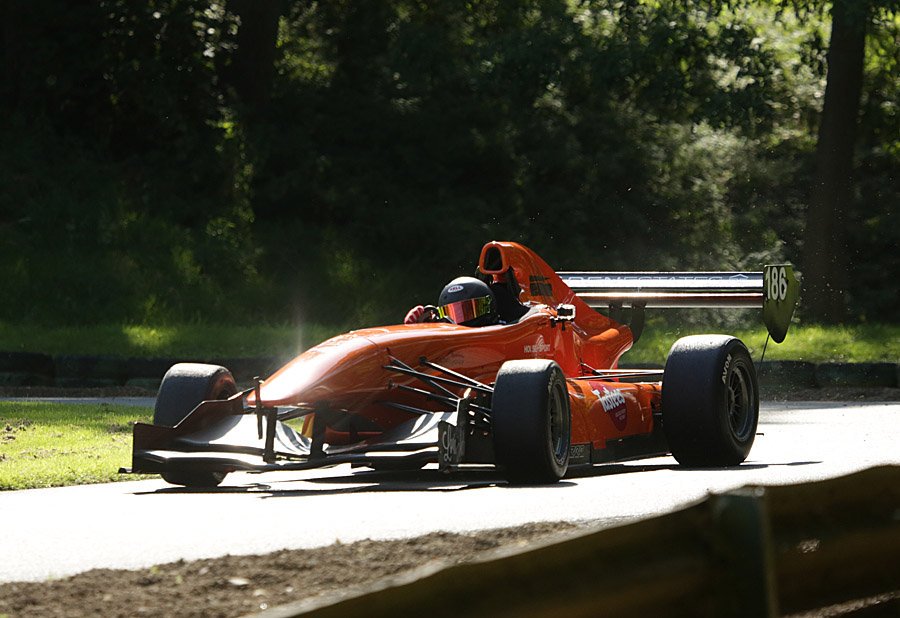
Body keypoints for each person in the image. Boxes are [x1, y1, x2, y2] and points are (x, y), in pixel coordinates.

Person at [404, 276, 500, 326]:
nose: (460, 320)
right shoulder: (442, 337)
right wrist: (417, 330)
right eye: (453, 314)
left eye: (467, 311)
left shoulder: (503, 331)